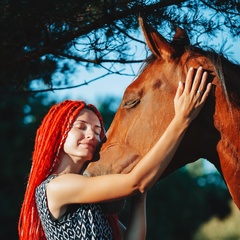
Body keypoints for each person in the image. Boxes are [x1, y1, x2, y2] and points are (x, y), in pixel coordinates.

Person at [18, 66, 211, 240]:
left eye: (96, 131)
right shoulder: (56, 186)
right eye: (81, 127)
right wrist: (182, 119)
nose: (90, 136)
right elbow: (135, 182)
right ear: (58, 132)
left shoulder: (90, 198)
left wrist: (140, 197)